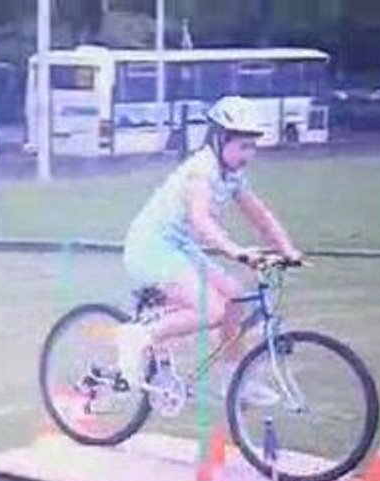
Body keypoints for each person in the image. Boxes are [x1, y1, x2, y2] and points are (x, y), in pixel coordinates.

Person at [116, 95, 304, 392]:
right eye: (243, 146)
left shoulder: (232, 176)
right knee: (211, 310)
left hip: (179, 248)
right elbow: (201, 221)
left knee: (234, 299)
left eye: (252, 146)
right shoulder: (201, 171)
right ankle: (138, 336)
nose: (249, 154)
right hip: (151, 247)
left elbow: (261, 217)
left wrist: (288, 250)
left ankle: (232, 381)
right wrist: (236, 251)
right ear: (219, 140)